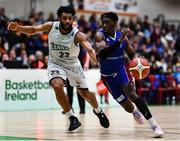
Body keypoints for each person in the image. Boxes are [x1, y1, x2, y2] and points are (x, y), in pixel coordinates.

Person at [7, 5, 109, 132]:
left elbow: (89, 49)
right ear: (59, 18)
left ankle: (98, 111)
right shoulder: (51, 26)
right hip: (55, 63)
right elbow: (33, 29)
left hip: (73, 65)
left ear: (73, 19)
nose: (67, 21)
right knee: (57, 85)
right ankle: (72, 117)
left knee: (85, 94)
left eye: (70, 18)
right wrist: (18, 28)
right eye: (64, 18)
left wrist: (99, 62)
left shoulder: (78, 35)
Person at [94, 12, 164, 137]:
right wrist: (119, 41)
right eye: (103, 22)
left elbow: (131, 54)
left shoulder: (122, 37)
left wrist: (138, 61)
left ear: (115, 23)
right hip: (107, 77)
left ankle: (155, 126)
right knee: (127, 107)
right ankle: (134, 111)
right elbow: (103, 54)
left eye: (107, 22)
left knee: (131, 94)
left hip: (121, 70)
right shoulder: (99, 36)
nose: (104, 25)